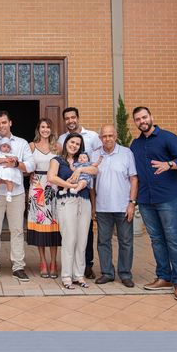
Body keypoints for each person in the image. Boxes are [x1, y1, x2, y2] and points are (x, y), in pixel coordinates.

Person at [130, 106, 177, 301]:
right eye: (138, 119)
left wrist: (169, 164)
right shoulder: (135, 145)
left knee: (173, 239)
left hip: (168, 197)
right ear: (135, 122)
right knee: (156, 239)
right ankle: (164, 277)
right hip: (146, 199)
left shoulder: (167, 137)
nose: (142, 121)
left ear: (151, 117)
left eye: (144, 117)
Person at [0, 111, 36, 282]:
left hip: (16, 193)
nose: (1, 126)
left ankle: (18, 266)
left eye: (3, 122)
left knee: (17, 230)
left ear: (10, 122)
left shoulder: (22, 143)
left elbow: (31, 165)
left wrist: (15, 164)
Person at [57, 107, 102, 281]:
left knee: (86, 232)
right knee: (71, 234)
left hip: (87, 187)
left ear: (78, 118)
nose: (70, 121)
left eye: (73, 117)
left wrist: (82, 169)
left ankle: (87, 266)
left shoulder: (92, 136)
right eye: (67, 118)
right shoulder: (62, 139)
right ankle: (69, 271)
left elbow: (96, 165)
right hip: (69, 193)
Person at [90, 124, 138, 287]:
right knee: (103, 241)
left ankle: (125, 273)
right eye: (104, 136)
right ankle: (107, 273)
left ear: (115, 136)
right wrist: (93, 206)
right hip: (103, 207)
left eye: (110, 135)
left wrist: (132, 203)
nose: (108, 139)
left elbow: (133, 179)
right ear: (100, 138)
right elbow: (92, 182)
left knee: (126, 241)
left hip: (123, 206)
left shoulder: (126, 153)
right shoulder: (95, 154)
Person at [49, 133, 98, 289]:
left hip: (84, 202)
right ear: (66, 143)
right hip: (66, 201)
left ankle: (79, 275)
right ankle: (67, 276)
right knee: (69, 239)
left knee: (82, 240)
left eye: (78, 143)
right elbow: (51, 177)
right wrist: (71, 186)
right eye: (72, 142)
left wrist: (80, 169)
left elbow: (96, 171)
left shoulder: (83, 161)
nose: (74, 145)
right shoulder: (57, 160)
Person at [26, 118, 62, 279]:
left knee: (54, 225)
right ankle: (43, 263)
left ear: (51, 129)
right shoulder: (31, 145)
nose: (45, 129)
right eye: (42, 127)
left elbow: (65, 166)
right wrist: (29, 174)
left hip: (54, 187)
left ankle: (54, 263)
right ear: (38, 129)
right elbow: (25, 166)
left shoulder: (58, 146)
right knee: (40, 225)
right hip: (37, 188)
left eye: (48, 127)